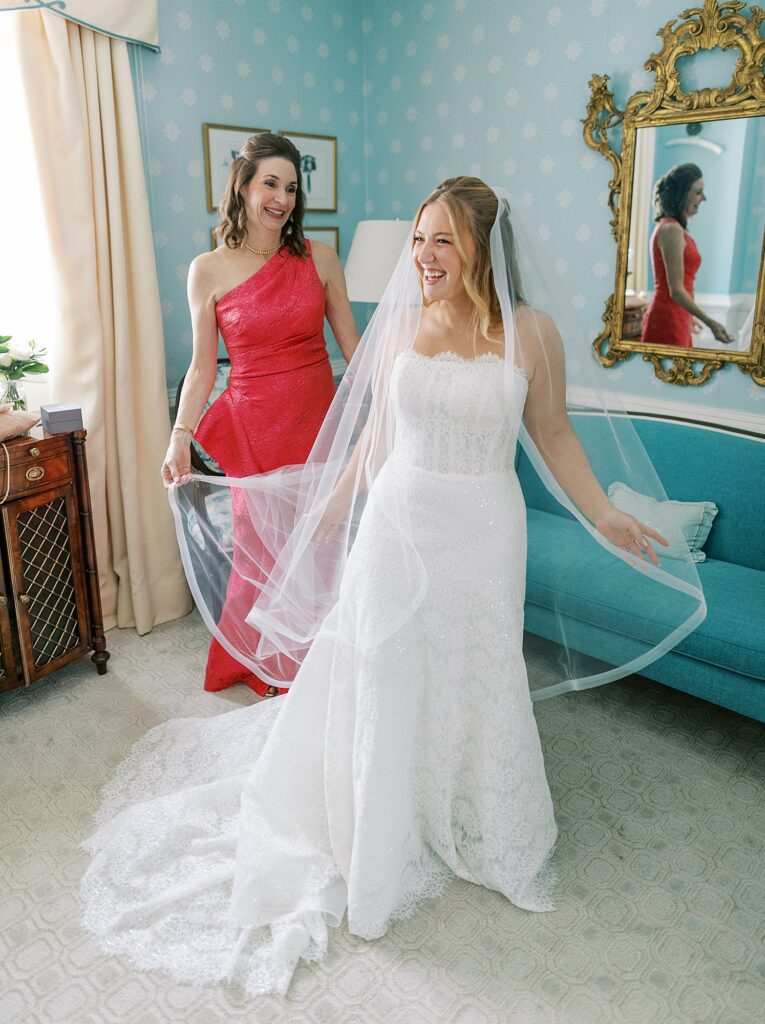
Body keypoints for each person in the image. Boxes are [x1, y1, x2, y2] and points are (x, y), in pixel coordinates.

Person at [84, 179, 704, 997]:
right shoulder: (401, 322)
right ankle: (377, 814)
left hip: (484, 530)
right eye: (418, 240)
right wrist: (329, 517)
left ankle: (465, 808)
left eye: (441, 240)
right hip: (399, 524)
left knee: (474, 671)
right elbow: (377, 433)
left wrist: (603, 517)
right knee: (381, 666)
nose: (423, 257)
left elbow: (550, 433)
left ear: (482, 247)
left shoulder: (533, 333)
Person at [161, 132, 359, 698]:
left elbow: (355, 351)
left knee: (319, 546)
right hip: (253, 429)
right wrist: (179, 438)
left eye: (292, 188)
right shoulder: (208, 269)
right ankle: (261, 660)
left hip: (317, 423)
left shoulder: (320, 258)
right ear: (243, 187)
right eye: (270, 183)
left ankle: (317, 657)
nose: (283, 198)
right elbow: (202, 370)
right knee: (259, 551)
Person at [641, 163, 733, 347]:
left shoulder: (673, 228)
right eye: (698, 192)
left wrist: (689, 316)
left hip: (678, 316)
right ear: (681, 194)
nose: (703, 198)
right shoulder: (671, 230)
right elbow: (676, 290)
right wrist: (711, 322)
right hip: (668, 318)